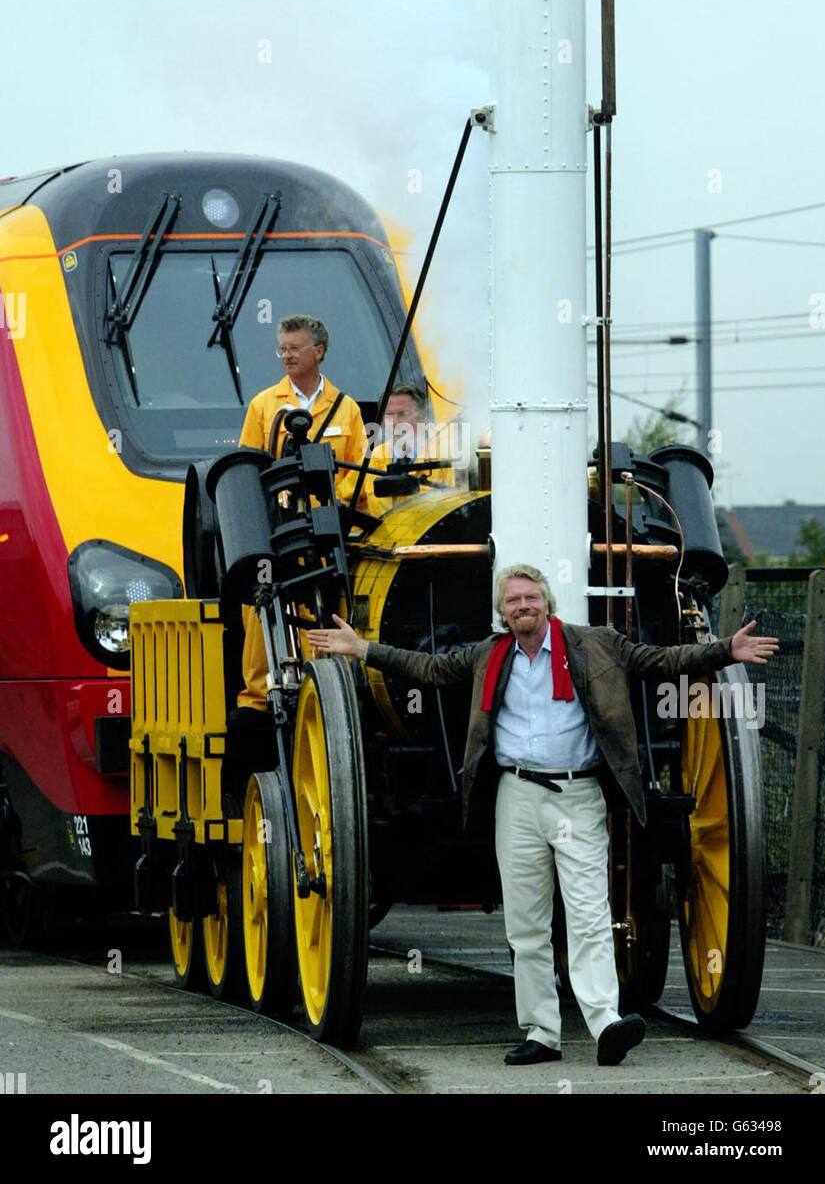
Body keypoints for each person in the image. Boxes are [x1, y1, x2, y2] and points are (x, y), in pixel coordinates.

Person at [307, 563, 778, 1067]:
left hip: (579, 794)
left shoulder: (597, 643)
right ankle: (541, 1033)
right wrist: (364, 650)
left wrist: (724, 649)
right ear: (502, 613)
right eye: (514, 601)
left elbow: (661, 660)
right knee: (526, 924)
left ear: (548, 602)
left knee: (589, 914)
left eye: (531, 597)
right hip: (517, 796)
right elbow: (428, 669)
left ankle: (605, 1024)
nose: (524, 606)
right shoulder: (488, 655)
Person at [235, 314, 367, 712]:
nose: (286, 356)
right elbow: (248, 471)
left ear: (319, 352)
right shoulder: (263, 405)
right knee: (262, 609)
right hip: (280, 533)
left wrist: (328, 502)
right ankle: (259, 702)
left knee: (328, 610)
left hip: (328, 534)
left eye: (295, 348)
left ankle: (323, 696)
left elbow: (359, 473)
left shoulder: (347, 410)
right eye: (283, 349)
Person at [356, 382, 456, 517]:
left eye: (403, 414)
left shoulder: (447, 457)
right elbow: (344, 503)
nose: (395, 422)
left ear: (423, 418)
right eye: (389, 416)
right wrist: (364, 533)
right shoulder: (373, 458)